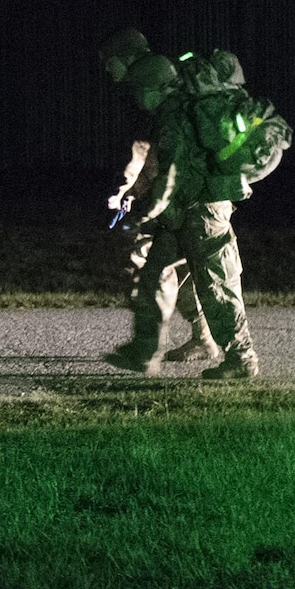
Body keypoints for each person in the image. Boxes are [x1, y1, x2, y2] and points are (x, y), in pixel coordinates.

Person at [103, 53, 261, 380]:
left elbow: (171, 175)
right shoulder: (172, 111)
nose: (135, 96)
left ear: (154, 88)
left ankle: (242, 359)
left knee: (217, 286)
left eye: (139, 89)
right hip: (182, 213)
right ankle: (145, 352)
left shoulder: (175, 116)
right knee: (154, 275)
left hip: (203, 211)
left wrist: (148, 214)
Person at [97, 29, 216, 364]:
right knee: (188, 269)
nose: (108, 68)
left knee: (154, 268)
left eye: (111, 61)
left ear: (126, 57)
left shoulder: (152, 81)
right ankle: (201, 339)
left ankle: (149, 350)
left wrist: (141, 195)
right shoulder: (156, 78)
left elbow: (160, 148)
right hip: (183, 195)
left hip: (179, 197)